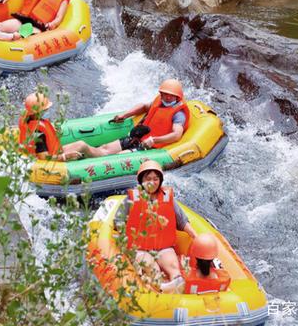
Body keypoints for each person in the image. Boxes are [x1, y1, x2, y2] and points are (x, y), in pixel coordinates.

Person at [114, 160, 199, 292]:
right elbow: (118, 221)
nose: (152, 182)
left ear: (160, 180)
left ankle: (176, 283)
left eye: (156, 179)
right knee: (152, 268)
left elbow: (182, 221)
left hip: (164, 247)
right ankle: (161, 286)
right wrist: (123, 239)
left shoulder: (167, 197)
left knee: (173, 267)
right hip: (140, 248)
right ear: (141, 180)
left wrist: (194, 235)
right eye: (148, 179)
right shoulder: (131, 198)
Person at [54, 79, 189, 161]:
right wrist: (125, 116)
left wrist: (154, 140)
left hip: (148, 147)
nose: (166, 97)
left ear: (177, 97)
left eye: (170, 95)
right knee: (103, 149)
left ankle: (77, 151)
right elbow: (144, 107)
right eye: (164, 94)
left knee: (112, 156)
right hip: (137, 138)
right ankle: (60, 153)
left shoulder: (179, 114)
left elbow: (176, 135)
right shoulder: (159, 101)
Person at [18, 92, 61, 157]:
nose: (47, 110)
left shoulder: (27, 119)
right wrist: (65, 157)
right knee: (81, 146)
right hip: (49, 158)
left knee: (81, 145)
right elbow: (43, 157)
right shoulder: (38, 131)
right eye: (45, 110)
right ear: (39, 112)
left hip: (51, 151)